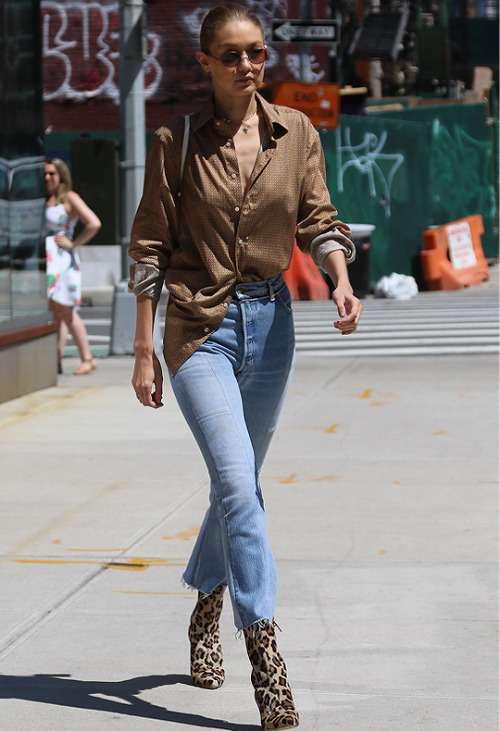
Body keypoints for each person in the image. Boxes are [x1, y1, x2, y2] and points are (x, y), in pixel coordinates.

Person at [128, 4, 363, 728]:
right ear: (204, 61)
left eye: (257, 52)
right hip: (199, 326)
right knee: (236, 483)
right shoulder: (175, 142)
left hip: (272, 323)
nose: (248, 65)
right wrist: (144, 346)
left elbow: (320, 218)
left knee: (241, 489)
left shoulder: (296, 133)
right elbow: (148, 250)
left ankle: (205, 600)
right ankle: (266, 654)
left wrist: (339, 276)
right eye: (231, 55)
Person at [45, 158, 101, 375]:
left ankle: (87, 358)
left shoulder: (69, 198)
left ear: (61, 175)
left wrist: (73, 243)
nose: (48, 178)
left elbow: (94, 223)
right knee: (55, 311)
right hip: (47, 262)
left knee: (66, 309)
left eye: (52, 173)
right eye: (44, 174)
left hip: (63, 260)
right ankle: (56, 360)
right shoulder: (42, 199)